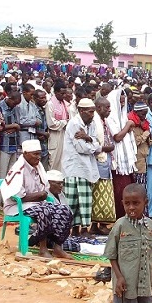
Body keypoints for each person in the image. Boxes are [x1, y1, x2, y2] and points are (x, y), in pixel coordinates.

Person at [0, 140, 73, 259]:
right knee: (44, 210)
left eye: (39, 153)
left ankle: (58, 247)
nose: (39, 157)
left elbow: (44, 190)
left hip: (36, 204)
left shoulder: (38, 168)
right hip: (17, 206)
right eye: (35, 154)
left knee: (65, 210)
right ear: (25, 153)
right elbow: (17, 197)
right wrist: (38, 196)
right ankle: (42, 249)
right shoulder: (18, 170)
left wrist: (41, 196)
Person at [62, 97, 101, 238]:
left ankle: (84, 229)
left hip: (87, 167)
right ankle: (74, 230)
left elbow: (97, 144)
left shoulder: (92, 123)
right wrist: (93, 143)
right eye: (90, 112)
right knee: (73, 201)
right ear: (81, 111)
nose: (92, 115)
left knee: (85, 201)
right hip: (74, 167)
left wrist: (88, 138)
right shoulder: (74, 124)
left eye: (93, 112)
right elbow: (82, 148)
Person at [106, 89, 138, 219]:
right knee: (119, 190)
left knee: (128, 189)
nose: (122, 105)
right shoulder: (110, 117)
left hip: (126, 162)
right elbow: (117, 137)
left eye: (123, 102)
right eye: (120, 102)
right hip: (117, 161)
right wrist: (128, 125)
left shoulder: (124, 116)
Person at [91, 97, 116, 234]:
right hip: (98, 159)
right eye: (107, 107)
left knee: (102, 193)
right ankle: (97, 225)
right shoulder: (94, 122)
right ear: (98, 107)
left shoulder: (103, 121)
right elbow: (93, 144)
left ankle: (99, 225)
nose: (109, 110)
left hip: (105, 159)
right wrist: (106, 148)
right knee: (99, 193)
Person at [45, 82, 70, 171]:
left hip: (63, 134)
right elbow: (51, 123)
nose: (64, 95)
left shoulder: (64, 104)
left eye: (65, 93)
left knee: (62, 160)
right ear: (56, 92)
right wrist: (65, 122)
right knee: (54, 160)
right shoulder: (50, 104)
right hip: (54, 135)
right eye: (62, 93)